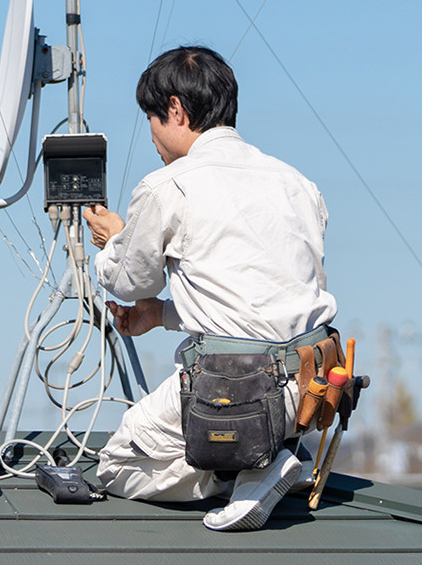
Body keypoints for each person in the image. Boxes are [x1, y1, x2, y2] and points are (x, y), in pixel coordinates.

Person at [84, 45, 336, 532]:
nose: (153, 136)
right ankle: (269, 456)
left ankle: (247, 469)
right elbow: (263, 306)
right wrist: (161, 315)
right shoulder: (298, 184)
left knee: (116, 463)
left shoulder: (169, 185)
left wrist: (115, 238)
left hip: (234, 391)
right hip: (310, 390)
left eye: (152, 120)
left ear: (175, 110)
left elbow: (128, 279)